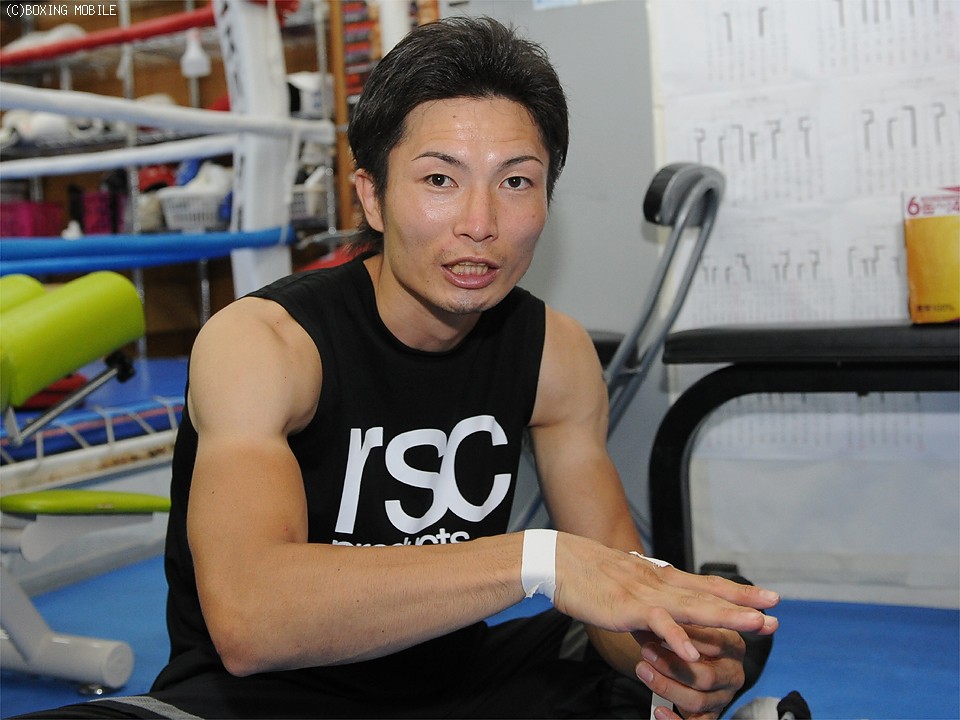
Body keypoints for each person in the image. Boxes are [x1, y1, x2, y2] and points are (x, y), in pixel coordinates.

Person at [20, 16, 778, 720]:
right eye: (440, 179)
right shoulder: (265, 344)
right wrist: (537, 560)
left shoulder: (554, 351)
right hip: (269, 700)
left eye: (516, 181)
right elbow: (251, 620)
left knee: (724, 617)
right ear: (373, 197)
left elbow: (613, 581)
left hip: (455, 684)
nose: (480, 224)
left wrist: (676, 656)